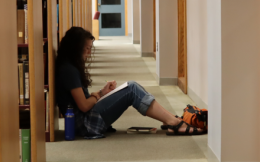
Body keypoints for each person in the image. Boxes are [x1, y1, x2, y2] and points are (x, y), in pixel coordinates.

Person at [55, 26, 206, 138]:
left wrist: (101, 93)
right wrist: (98, 94)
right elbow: (83, 105)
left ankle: (172, 120)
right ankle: (174, 122)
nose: (89, 53)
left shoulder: (69, 66)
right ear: (75, 49)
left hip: (83, 121)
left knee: (131, 86)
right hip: (84, 125)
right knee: (132, 88)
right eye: (86, 49)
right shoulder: (69, 70)